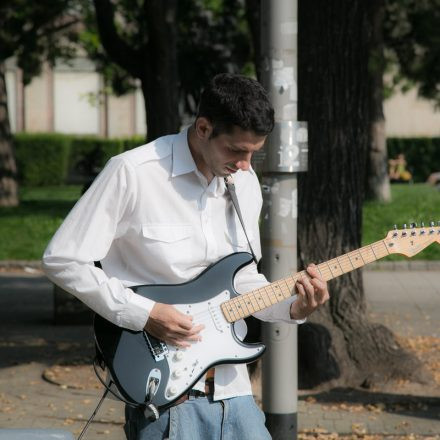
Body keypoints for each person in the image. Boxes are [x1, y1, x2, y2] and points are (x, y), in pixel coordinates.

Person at [42, 73, 329, 440]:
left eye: (253, 152)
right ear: (204, 128)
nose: (245, 164)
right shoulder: (133, 172)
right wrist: (145, 314)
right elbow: (62, 259)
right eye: (237, 150)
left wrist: (293, 308)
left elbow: (242, 282)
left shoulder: (245, 181)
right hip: (165, 399)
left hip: (234, 391)